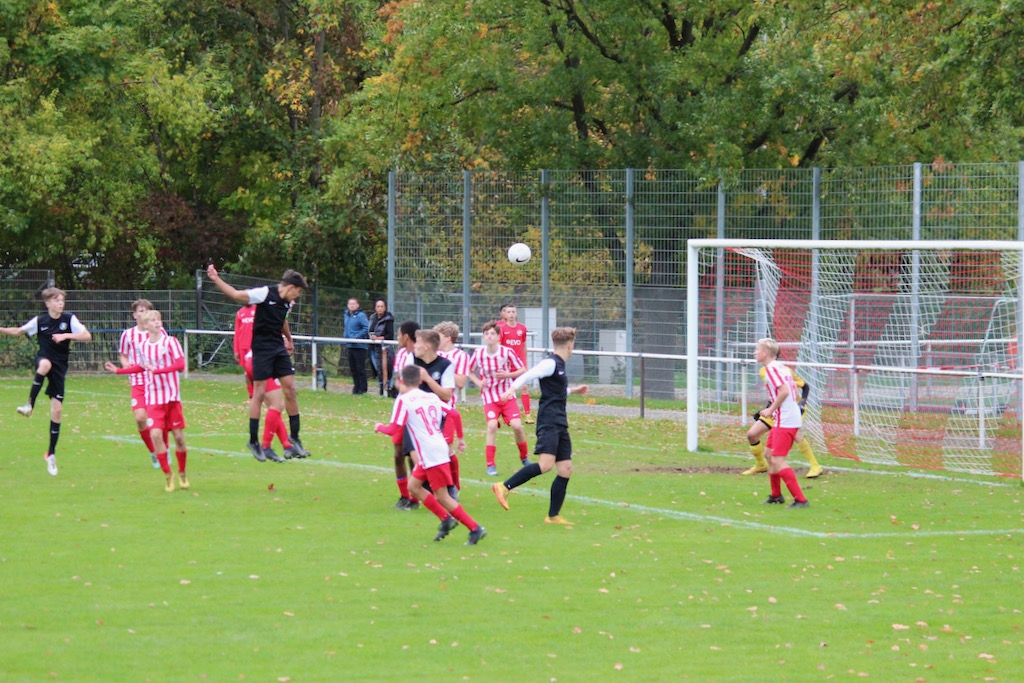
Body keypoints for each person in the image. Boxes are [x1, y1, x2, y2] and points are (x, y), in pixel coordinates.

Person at [206, 265, 311, 460]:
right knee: (260, 392)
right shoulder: (264, 293)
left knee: (290, 390)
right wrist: (216, 279)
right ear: (290, 287)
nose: (297, 296)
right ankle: (254, 440)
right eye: (297, 292)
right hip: (261, 350)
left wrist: (289, 339)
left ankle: (295, 437)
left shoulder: (287, 302)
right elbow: (235, 294)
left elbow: (282, 320)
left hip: (278, 348)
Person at [374, 365, 486, 545]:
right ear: (420, 381)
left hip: (430, 453)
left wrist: (379, 427)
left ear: (401, 381)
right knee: (414, 486)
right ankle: (446, 520)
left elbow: (394, 429)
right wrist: (460, 438)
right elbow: (454, 414)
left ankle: (475, 528)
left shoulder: (403, 400)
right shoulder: (431, 396)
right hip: (437, 447)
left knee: (442, 497)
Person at [492, 327, 589, 524]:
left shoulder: (559, 365)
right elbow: (528, 375)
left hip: (559, 421)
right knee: (545, 465)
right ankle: (504, 486)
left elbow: (557, 391)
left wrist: (574, 391)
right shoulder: (550, 363)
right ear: (570, 345)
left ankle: (552, 516)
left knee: (566, 468)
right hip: (549, 421)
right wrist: (511, 390)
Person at [1, 287, 92, 476]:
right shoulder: (40, 321)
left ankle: (51, 454)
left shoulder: (69, 319)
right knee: (44, 365)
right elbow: (18, 331)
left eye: (62, 300)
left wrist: (66, 335)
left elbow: (87, 335)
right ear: (48, 303)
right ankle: (29, 405)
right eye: (57, 300)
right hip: (44, 358)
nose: (60, 303)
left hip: (60, 368)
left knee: (56, 412)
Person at [105, 310, 190, 492]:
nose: (157, 322)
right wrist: (119, 371)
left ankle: (182, 473)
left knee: (179, 438)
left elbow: (180, 364)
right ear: (145, 325)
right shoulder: (143, 346)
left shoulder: (171, 342)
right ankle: (168, 475)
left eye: (158, 319)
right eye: (153, 320)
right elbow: (141, 367)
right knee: (156, 435)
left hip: (172, 398)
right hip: (154, 398)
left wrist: (158, 370)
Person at [234, 304, 305, 462]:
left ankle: (286, 446)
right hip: (260, 361)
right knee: (277, 404)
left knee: (274, 405)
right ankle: (266, 446)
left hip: (252, 360)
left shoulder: (264, 312)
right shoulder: (266, 313)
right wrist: (288, 340)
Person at [751, 338, 810, 508]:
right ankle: (776, 496)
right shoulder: (782, 367)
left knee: (777, 460)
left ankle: (801, 500)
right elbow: (795, 394)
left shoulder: (771, 369)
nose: (755, 352)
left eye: (757, 350)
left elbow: (784, 392)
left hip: (786, 420)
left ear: (765, 353)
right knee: (769, 455)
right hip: (783, 418)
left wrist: (771, 409)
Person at [467, 320, 529, 477]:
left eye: (492, 333)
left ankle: (524, 457)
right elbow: (469, 371)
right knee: (492, 426)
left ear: (498, 337)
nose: (489, 336)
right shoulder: (479, 354)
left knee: (517, 426)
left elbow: (522, 369)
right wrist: (479, 383)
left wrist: (508, 375)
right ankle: (491, 465)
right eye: (486, 334)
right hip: (490, 397)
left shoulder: (506, 352)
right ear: (483, 337)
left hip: (507, 396)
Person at [745, 366, 823, 479]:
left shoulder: (785, 370)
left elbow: (804, 387)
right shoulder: (763, 371)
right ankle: (761, 465)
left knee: (794, 434)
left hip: (792, 408)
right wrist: (767, 408)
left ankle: (815, 466)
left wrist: (802, 403)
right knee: (752, 434)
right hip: (776, 408)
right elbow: (775, 394)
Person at [117, 298, 163, 468]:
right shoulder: (128, 335)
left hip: (156, 383)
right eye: (141, 311)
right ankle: (153, 451)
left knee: (157, 421)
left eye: (147, 311)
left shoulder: (159, 332)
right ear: (135, 315)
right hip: (138, 383)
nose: (144, 314)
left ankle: (162, 451)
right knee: (140, 418)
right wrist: (125, 364)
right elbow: (123, 355)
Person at [388, 320, 421, 508]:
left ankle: (416, 497)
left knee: (412, 454)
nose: (397, 337)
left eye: (399, 334)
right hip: (401, 409)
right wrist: (401, 387)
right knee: (398, 453)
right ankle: (404, 496)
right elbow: (398, 381)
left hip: (416, 410)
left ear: (406, 336)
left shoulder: (420, 355)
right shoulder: (401, 354)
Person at [497, 303, 533, 423]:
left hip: (519, 364)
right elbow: (499, 347)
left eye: (513, 312)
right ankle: (507, 414)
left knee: (524, 386)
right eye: (509, 312)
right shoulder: (502, 329)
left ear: (516, 314)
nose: (511, 314)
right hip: (507, 364)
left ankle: (528, 415)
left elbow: (524, 345)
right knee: (506, 390)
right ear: (505, 314)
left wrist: (525, 362)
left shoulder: (522, 328)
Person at [434, 321, 470, 402]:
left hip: (448, 404)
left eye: (438, 337)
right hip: (430, 402)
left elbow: (461, 383)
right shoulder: (433, 353)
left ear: (448, 338)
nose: (435, 340)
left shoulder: (461, 356)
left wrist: (442, 368)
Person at [368, 299, 395, 395]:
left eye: (381, 306)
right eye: (378, 306)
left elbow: (390, 335)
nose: (380, 308)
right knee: (378, 369)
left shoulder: (388, 319)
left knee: (386, 369)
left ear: (385, 307)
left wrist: (378, 338)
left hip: (384, 349)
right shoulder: (372, 318)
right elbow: (370, 330)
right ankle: (381, 388)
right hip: (373, 348)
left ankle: (387, 388)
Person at [344, 298, 370, 395]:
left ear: (358, 305)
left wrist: (357, 336)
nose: (352, 305)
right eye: (350, 304)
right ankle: (356, 387)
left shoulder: (361, 316)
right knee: (353, 368)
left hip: (359, 346)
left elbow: (366, 328)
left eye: (354, 304)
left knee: (360, 368)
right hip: (350, 345)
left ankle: (362, 389)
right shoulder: (346, 315)